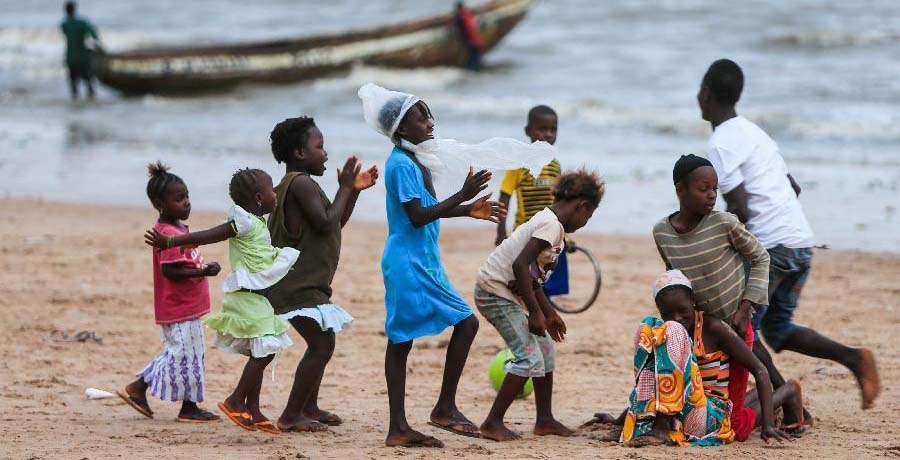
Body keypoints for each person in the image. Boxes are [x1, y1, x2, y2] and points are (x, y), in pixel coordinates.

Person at [698, 58, 880, 410]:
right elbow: (792, 188)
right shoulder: (755, 133)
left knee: (739, 330)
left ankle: (787, 402)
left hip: (773, 249)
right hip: (800, 242)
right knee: (777, 330)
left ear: (705, 94)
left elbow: (740, 208)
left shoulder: (720, 143)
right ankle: (856, 359)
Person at [360, 83, 505, 447]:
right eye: (420, 117)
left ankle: (428, 414)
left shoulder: (414, 161)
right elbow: (417, 216)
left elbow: (427, 210)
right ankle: (427, 415)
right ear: (401, 128)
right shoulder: (400, 164)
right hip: (408, 262)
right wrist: (462, 195)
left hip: (422, 259)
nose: (429, 122)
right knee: (444, 328)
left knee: (408, 338)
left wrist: (466, 210)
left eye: (429, 115)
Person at [145, 168, 300, 434]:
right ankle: (236, 400)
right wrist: (171, 241)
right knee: (266, 349)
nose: (275, 194)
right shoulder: (243, 222)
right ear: (259, 198)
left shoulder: (257, 222)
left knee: (260, 350)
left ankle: (253, 409)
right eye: (271, 190)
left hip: (256, 297)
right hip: (245, 297)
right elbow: (208, 235)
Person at [264, 117, 378, 432]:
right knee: (322, 344)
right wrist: (344, 187)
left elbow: (333, 222)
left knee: (322, 340)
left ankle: (308, 406)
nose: (325, 154)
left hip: (304, 283)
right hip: (296, 285)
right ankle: (291, 415)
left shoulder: (299, 184)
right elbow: (328, 223)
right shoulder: (300, 184)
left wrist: (352, 192)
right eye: (320, 146)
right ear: (300, 153)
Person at [476, 169, 604, 441]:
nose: (585, 223)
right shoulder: (551, 226)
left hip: (509, 292)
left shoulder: (553, 226)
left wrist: (549, 314)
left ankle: (545, 420)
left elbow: (532, 279)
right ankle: (492, 423)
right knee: (528, 356)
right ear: (582, 206)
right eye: (589, 216)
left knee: (545, 351)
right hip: (493, 291)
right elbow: (520, 265)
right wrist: (535, 312)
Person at [652, 154, 772, 437]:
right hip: (699, 335)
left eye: (715, 189)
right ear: (680, 190)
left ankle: (786, 394)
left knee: (736, 427)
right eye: (703, 188)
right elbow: (676, 280)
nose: (711, 195)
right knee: (700, 405)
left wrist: (745, 308)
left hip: (736, 328)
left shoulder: (724, 223)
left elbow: (761, 258)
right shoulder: (662, 233)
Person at [613, 271, 795, 447]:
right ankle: (644, 422)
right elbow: (656, 381)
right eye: (668, 314)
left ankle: (662, 425)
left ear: (693, 301)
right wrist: (621, 419)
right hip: (682, 410)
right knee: (648, 327)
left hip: (711, 416)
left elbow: (760, 370)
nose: (677, 318)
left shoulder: (712, 328)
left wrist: (768, 425)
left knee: (672, 330)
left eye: (682, 310)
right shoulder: (664, 333)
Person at [117, 163, 221, 423]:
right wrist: (203, 271)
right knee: (183, 356)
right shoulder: (167, 235)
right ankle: (173, 401)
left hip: (187, 306)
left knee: (188, 356)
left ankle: (170, 399)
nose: (186, 203)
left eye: (187, 196)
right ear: (159, 204)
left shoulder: (178, 231)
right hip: (179, 307)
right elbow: (170, 270)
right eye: (178, 199)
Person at [496, 105, 568, 298]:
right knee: (527, 283)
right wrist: (501, 231)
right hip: (527, 235)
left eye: (553, 129)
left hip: (551, 236)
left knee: (547, 284)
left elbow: (561, 203)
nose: (548, 134)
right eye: (542, 129)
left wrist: (566, 236)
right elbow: (505, 196)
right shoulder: (520, 163)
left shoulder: (555, 165)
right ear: (528, 131)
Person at [60, 1, 102, 100]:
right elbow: (93, 33)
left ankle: (75, 103)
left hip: (70, 57)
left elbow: (65, 32)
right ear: (74, 9)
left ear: (66, 10)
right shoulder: (82, 23)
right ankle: (91, 101)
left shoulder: (64, 24)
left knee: (73, 84)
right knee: (89, 82)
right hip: (82, 56)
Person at [454, 1, 485, 70]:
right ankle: (474, 71)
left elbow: (457, 25)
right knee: (476, 60)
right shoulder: (468, 15)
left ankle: (471, 71)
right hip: (477, 42)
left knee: (473, 61)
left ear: (458, 9)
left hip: (472, 43)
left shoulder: (460, 17)